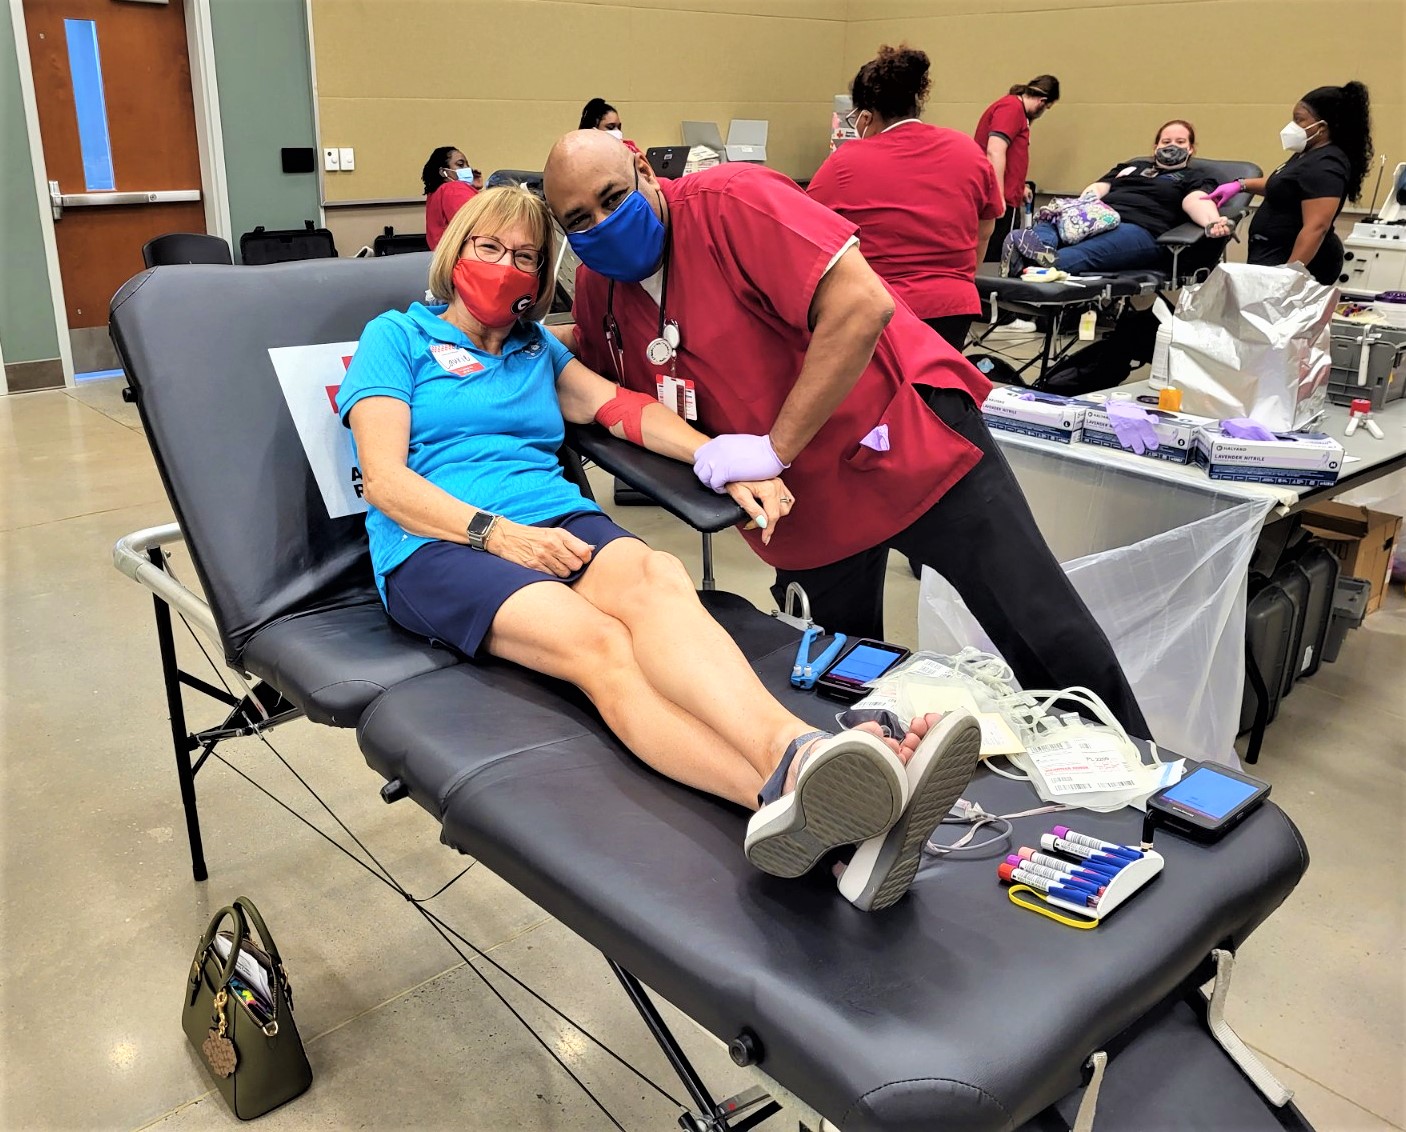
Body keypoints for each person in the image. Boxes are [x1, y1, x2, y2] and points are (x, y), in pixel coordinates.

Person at [336, 185, 980, 912]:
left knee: (658, 574)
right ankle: (783, 795)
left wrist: (729, 462)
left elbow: (622, 410)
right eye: (489, 247)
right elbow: (384, 481)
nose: (505, 265)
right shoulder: (398, 337)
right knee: (601, 643)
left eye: (525, 255)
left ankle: (803, 756)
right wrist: (497, 534)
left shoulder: (534, 349)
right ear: (456, 251)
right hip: (439, 542)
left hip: (554, 518)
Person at [542, 130, 1152, 744]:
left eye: (613, 198)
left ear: (645, 169)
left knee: (1042, 628)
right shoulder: (602, 285)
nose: (603, 223)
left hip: (903, 441)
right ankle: (886, 798)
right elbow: (596, 368)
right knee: (843, 680)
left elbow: (863, 303)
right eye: (579, 220)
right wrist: (505, 342)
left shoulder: (735, 204)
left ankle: (1138, 775)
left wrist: (774, 446)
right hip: (804, 497)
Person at [807, 44, 1004, 351]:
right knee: (935, 394)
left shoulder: (846, 162)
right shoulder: (966, 150)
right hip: (955, 309)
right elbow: (985, 230)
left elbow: (805, 234)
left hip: (882, 310)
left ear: (864, 117)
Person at [1004, 119, 1233, 275]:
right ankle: (1040, 249)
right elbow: (1100, 187)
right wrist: (1078, 210)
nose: (1172, 146)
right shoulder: (1132, 166)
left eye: (1180, 142)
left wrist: (1212, 223)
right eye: (1166, 141)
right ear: (1155, 147)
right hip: (1100, 217)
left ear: (1191, 148)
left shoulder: (1194, 176)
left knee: (1083, 253)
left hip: (1139, 229)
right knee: (1051, 219)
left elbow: (1195, 201)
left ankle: (1038, 264)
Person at [1207, 82, 1373, 286]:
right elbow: (1284, 186)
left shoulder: (1327, 165)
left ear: (1322, 127)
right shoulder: (1307, 154)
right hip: (1271, 257)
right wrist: (1241, 185)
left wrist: (1290, 272)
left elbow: (1317, 226)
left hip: (1299, 265)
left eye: (1299, 120)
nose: (1292, 126)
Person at [974, 75, 1059, 263]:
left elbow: (1012, 158)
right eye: (1046, 107)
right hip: (1001, 200)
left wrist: (1020, 186)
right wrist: (998, 195)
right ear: (1042, 101)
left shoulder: (1015, 111)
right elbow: (995, 151)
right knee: (996, 258)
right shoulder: (1011, 109)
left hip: (1008, 196)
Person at [422, 146, 481, 250]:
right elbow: (480, 224)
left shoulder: (436, 193)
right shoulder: (453, 188)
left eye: (467, 165)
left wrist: (474, 188)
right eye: (460, 165)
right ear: (443, 172)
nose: (468, 169)